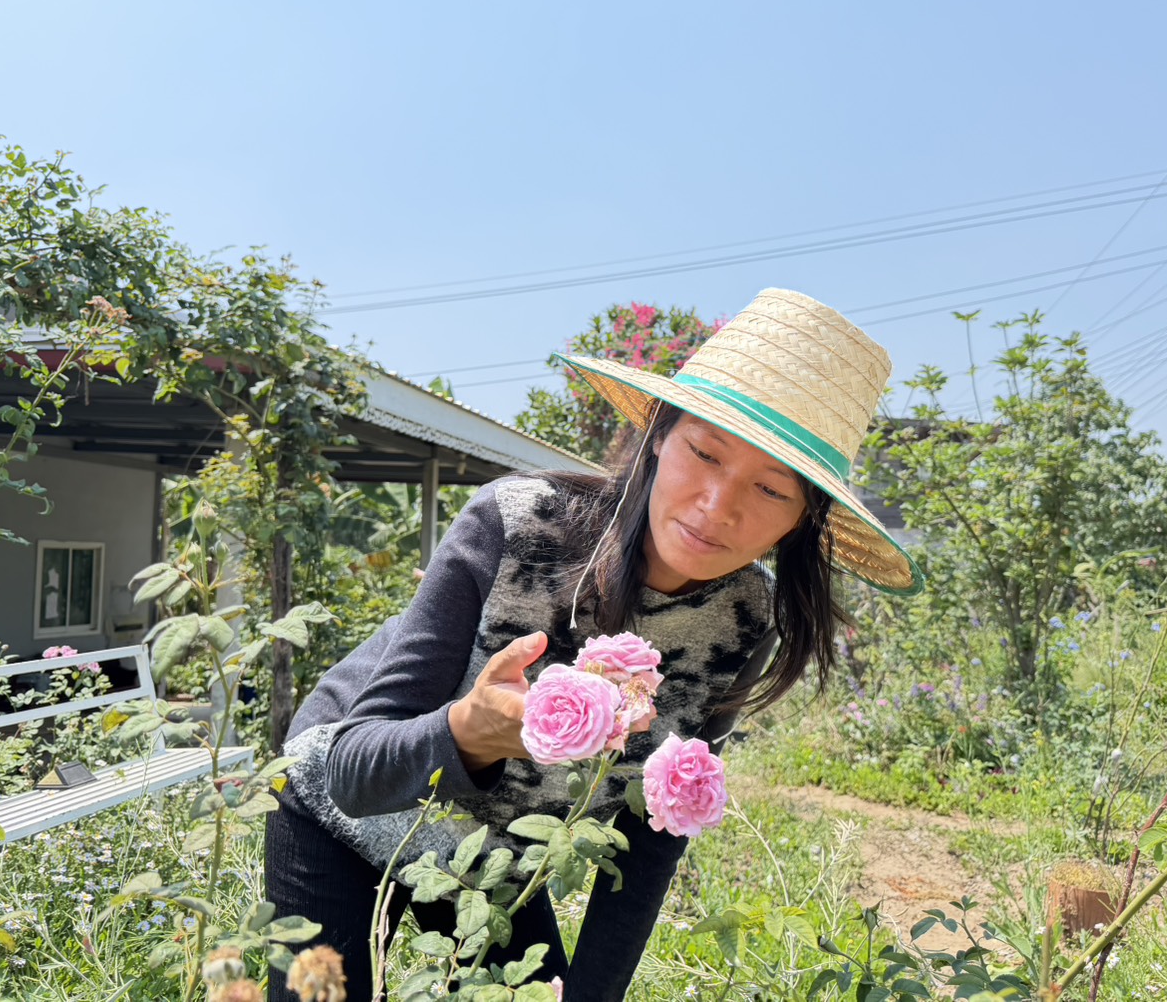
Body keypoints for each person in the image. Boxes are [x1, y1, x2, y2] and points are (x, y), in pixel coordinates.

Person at [265, 288, 924, 1000]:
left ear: (800, 520)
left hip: (489, 863)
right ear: (658, 438)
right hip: (333, 814)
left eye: (770, 490)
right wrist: (471, 733)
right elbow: (352, 772)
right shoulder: (516, 526)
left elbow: (654, 830)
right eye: (704, 453)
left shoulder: (746, 623)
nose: (717, 506)